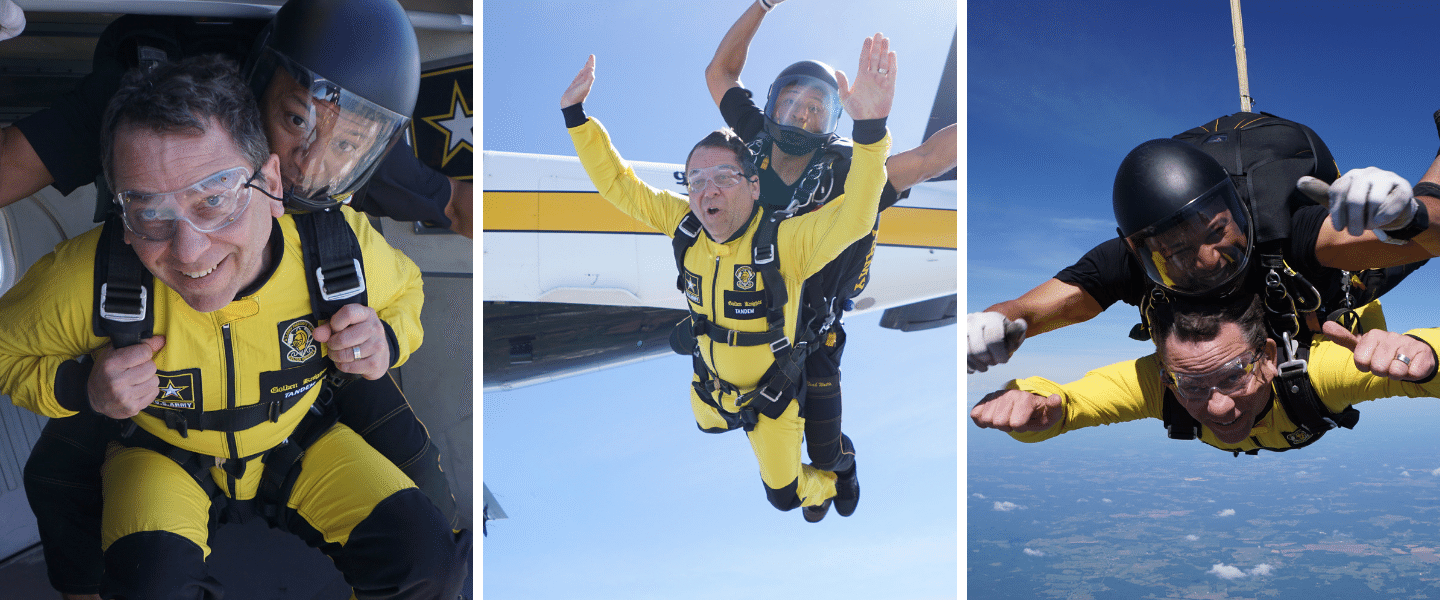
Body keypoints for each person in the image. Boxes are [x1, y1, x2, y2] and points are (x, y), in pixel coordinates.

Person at [13, 3, 466, 598]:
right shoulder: (94, 275)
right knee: (145, 582)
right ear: (123, 216)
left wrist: (387, 339)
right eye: (150, 210)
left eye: (217, 197)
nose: (190, 250)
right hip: (162, 449)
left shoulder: (337, 248)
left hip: (296, 435)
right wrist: (82, 387)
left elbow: (407, 289)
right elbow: (4, 349)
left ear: (270, 183)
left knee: (428, 560)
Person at [561, 31, 894, 521]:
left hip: (773, 399)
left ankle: (827, 481)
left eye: (723, 177)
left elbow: (858, 214)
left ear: (754, 186)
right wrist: (576, 117)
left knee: (784, 498)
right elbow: (619, 185)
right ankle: (778, 454)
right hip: (712, 389)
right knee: (708, 424)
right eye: (695, 180)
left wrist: (871, 128)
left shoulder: (787, 241)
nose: (706, 190)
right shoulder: (686, 226)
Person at [704, 0, 956, 521]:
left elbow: (932, 159)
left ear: (831, 120)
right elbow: (720, 72)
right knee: (769, 458)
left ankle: (841, 468)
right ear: (772, 106)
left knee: (823, 451)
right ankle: (807, 490)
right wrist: (763, 5)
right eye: (792, 101)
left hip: (814, 334)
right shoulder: (750, 143)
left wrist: (876, 122)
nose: (801, 112)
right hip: (759, 318)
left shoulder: (852, 169)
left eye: (816, 106)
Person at [968, 133, 1439, 374]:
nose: (1208, 258)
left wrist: (1408, 217)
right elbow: (1027, 311)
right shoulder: (1125, 262)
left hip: (1323, 288)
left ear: (1237, 207)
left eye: (1216, 231)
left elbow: (1429, 240)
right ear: (1141, 248)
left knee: (1402, 251)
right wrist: (993, 323)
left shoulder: (1291, 234)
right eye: (1174, 252)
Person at [0, 0, 472, 237]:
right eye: (295, 121)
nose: (308, 167)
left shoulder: (354, 157)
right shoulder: (155, 100)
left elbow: (456, 205)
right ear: (258, 84)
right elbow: (14, 163)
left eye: (345, 146)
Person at [971, 293, 1440, 453]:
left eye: (1235, 375)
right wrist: (1036, 406)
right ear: (1168, 375)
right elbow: (1072, 403)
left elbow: (1423, 364)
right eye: (1192, 383)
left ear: (1270, 357)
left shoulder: (1319, 373)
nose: (1216, 406)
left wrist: (1424, 359)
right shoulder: (1164, 385)